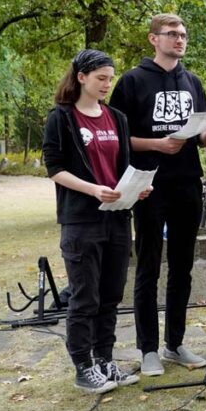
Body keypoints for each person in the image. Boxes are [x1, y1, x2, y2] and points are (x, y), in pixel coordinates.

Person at [43, 49, 151, 393]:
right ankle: (83, 365)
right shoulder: (61, 117)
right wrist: (93, 190)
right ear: (81, 77)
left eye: (110, 78)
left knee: (110, 294)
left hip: (117, 218)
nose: (107, 84)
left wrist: (135, 190)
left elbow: (124, 165)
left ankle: (105, 359)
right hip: (81, 220)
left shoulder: (117, 117)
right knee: (84, 296)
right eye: (101, 78)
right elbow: (55, 168)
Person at [110, 13, 206, 376]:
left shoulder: (192, 81)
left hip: (187, 182)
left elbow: (199, 133)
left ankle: (175, 343)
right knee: (149, 266)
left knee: (182, 267)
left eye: (183, 34)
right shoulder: (132, 81)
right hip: (149, 184)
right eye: (171, 34)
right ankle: (147, 348)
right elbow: (119, 136)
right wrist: (156, 144)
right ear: (154, 39)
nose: (179, 40)